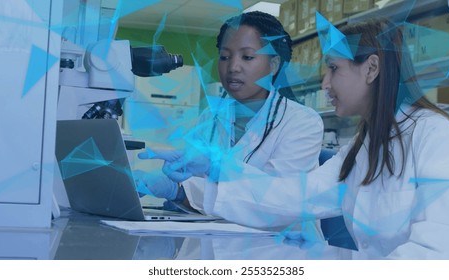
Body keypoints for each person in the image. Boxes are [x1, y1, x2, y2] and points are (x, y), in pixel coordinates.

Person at [149, 18, 449, 259]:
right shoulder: (364, 147)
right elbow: (298, 195)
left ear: (371, 69)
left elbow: (442, 258)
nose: (325, 84)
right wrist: (217, 171)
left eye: (333, 69)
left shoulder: (435, 136)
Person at [133, 11, 324, 227]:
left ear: (273, 65)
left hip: (278, 250)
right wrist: (169, 187)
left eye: (247, 57)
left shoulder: (302, 122)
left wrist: (212, 169)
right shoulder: (212, 118)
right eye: (225, 57)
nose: (232, 67)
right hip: (215, 244)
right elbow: (195, 189)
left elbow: (274, 201)